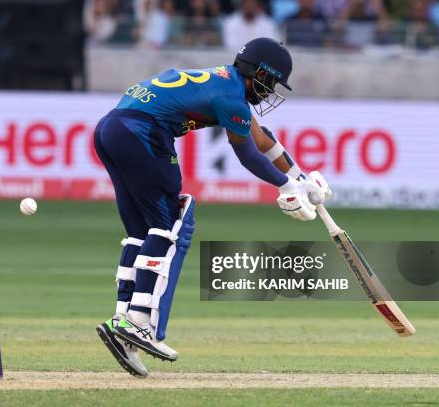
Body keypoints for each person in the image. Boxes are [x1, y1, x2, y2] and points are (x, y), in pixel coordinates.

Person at [94, 37, 332, 377]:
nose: (270, 91)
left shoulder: (224, 82)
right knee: (171, 225)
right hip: (142, 132)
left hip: (111, 127)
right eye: (271, 82)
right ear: (259, 73)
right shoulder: (230, 97)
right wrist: (286, 187)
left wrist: (300, 177)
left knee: (141, 232)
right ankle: (138, 321)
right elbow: (247, 153)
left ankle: (123, 322)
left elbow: (261, 138)